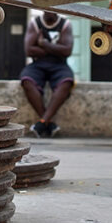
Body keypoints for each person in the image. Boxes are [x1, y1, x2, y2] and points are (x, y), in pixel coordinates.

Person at [20, 9, 75, 138]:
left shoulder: (65, 24)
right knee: (26, 80)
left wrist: (43, 44)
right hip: (38, 64)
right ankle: (48, 123)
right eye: (47, 7)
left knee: (67, 82)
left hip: (59, 65)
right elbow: (28, 50)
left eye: (53, 7)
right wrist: (55, 49)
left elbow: (67, 51)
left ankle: (42, 123)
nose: (50, 10)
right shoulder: (35, 23)